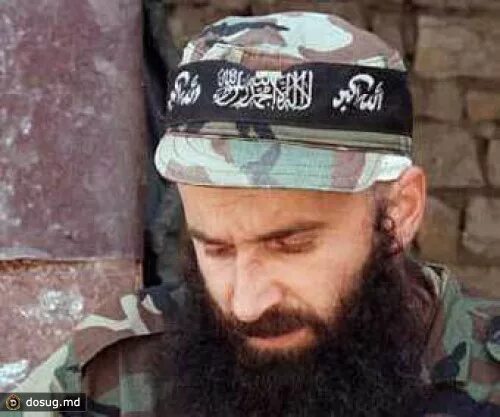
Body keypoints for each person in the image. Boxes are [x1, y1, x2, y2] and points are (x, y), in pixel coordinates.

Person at [23, 11, 500, 417]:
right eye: (217, 249)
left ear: (399, 211)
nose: (247, 305)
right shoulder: (113, 371)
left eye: (291, 245)